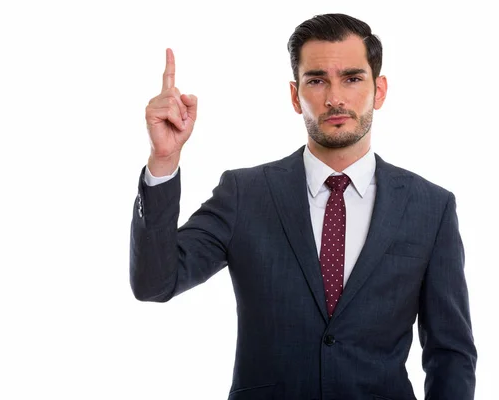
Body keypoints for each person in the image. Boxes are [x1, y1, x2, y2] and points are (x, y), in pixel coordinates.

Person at [129, 13, 476, 400]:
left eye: (352, 78)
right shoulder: (245, 193)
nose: (334, 98)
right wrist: (163, 161)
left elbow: (451, 353)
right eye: (316, 80)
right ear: (295, 96)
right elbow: (154, 282)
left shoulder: (431, 207)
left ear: (379, 90)